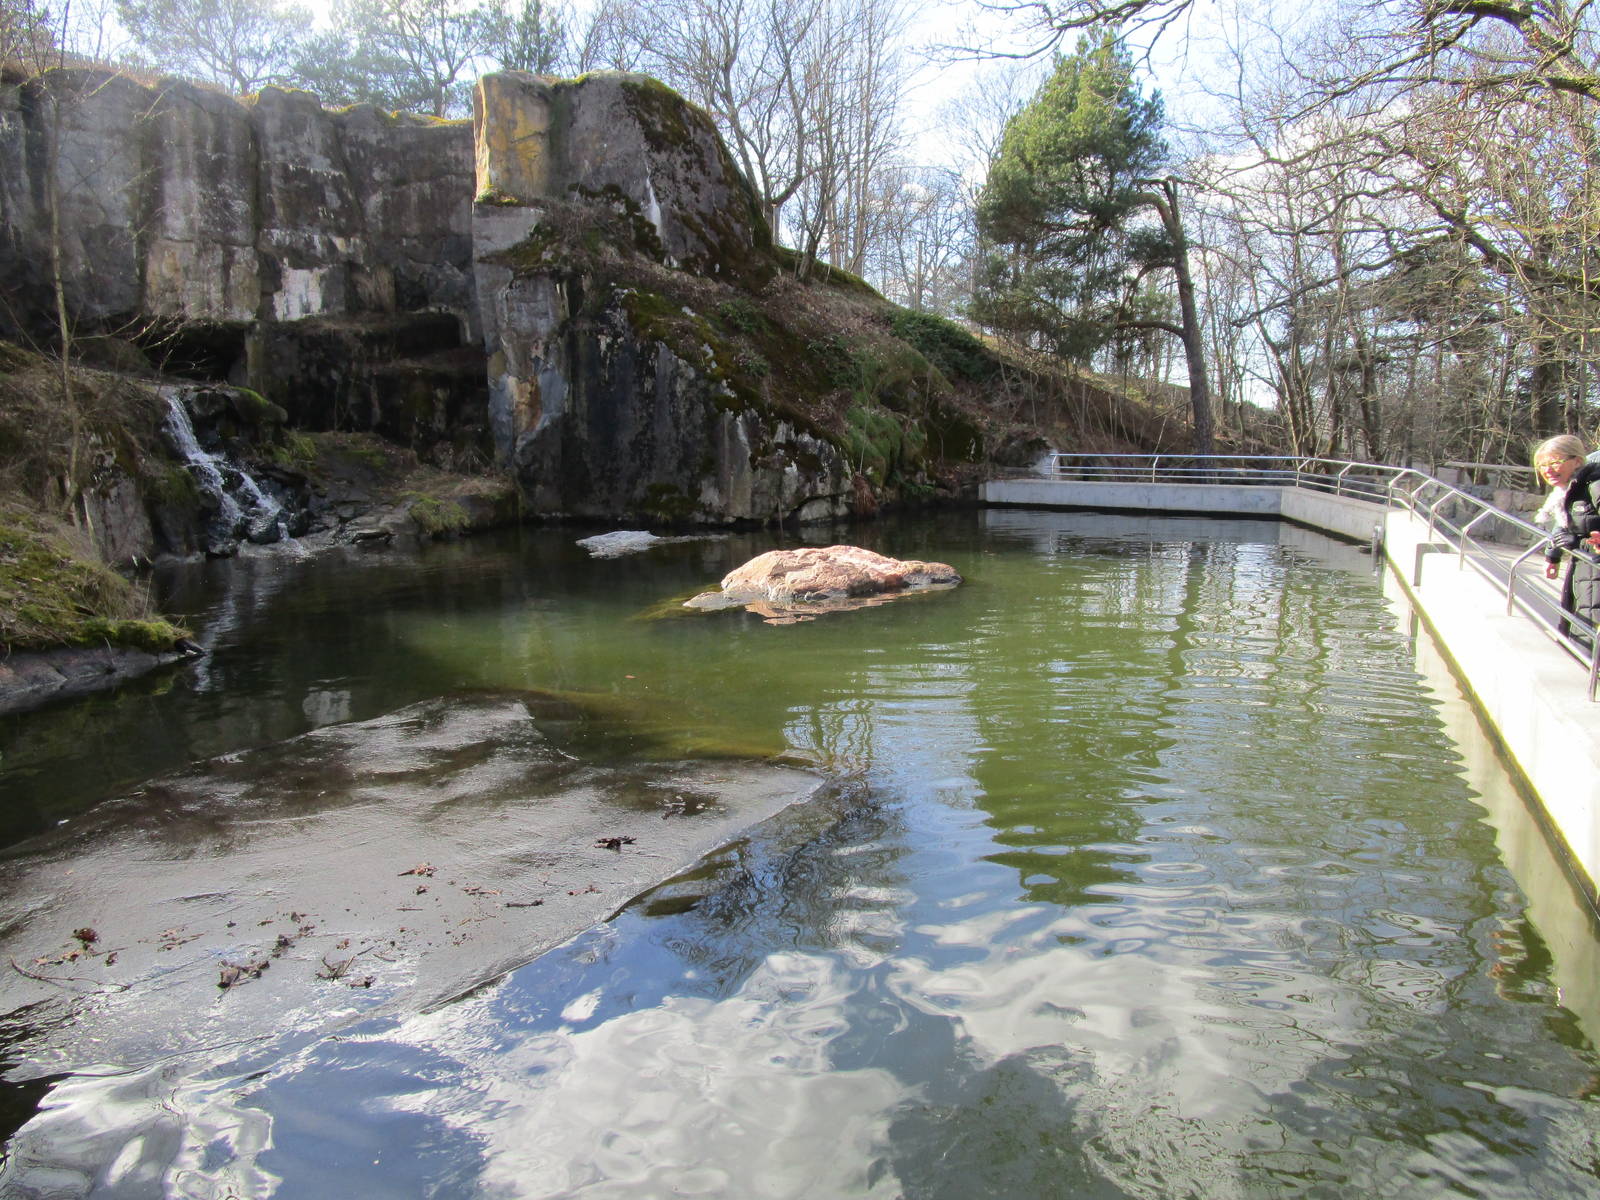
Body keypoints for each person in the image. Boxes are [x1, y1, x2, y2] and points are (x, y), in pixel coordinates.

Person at [1534, 435, 1600, 639]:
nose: (1547, 470)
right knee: (1576, 623)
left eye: (1555, 462)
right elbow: (1564, 523)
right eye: (1543, 465)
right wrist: (1552, 555)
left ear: (1577, 461)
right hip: (1583, 566)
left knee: (1588, 627)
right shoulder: (1567, 490)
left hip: (1593, 566)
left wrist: (1578, 542)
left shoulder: (1594, 484)